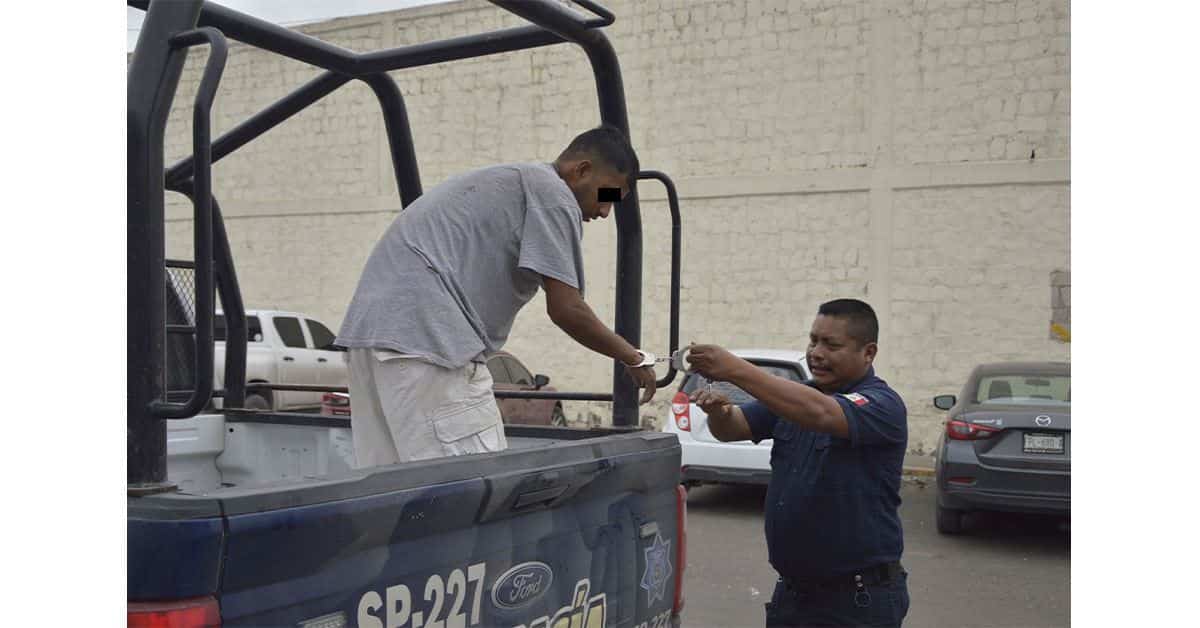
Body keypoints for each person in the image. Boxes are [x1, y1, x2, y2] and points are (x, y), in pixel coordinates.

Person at [335, 125, 658, 467]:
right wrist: (633, 357)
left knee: (390, 493)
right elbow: (567, 309)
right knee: (471, 490)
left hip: (369, 344)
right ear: (581, 171)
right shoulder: (553, 194)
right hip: (429, 346)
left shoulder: (514, 182)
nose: (606, 212)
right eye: (608, 196)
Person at [686, 299, 909, 627]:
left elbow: (821, 412)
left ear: (869, 353)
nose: (817, 352)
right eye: (813, 340)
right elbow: (731, 428)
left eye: (831, 344)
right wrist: (718, 412)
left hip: (856, 601)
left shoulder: (881, 404)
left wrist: (733, 367)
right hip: (794, 596)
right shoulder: (796, 397)